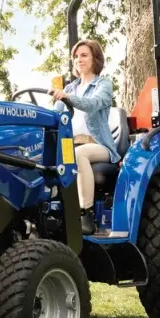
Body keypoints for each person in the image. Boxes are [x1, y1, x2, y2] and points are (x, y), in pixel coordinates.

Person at [51, 39, 120, 234]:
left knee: (78, 155)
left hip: (98, 145)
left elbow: (92, 104)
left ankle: (85, 214)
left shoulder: (103, 84)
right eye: (76, 56)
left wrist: (67, 98)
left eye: (84, 55)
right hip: (70, 144)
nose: (78, 60)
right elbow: (56, 116)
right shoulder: (71, 88)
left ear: (95, 58)